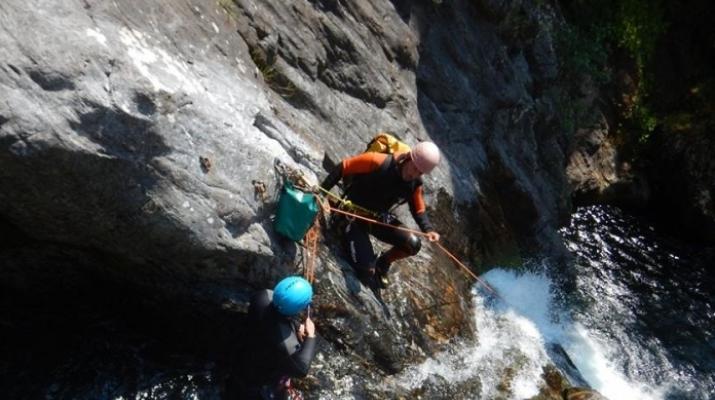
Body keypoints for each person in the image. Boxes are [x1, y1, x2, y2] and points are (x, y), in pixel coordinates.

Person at [320, 141, 442, 289]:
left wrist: (428, 230)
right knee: (367, 272)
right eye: (414, 167)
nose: (413, 174)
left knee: (413, 245)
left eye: (419, 172)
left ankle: (383, 262)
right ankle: (342, 228)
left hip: (377, 218)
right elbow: (344, 167)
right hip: (351, 216)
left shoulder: (415, 184)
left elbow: (418, 210)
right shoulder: (380, 162)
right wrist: (320, 192)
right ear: (409, 157)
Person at [241, 276, 317, 400]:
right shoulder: (287, 344)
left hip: (247, 353)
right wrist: (311, 336)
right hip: (260, 379)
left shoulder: (263, 295)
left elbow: (276, 318)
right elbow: (301, 369)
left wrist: (295, 327)